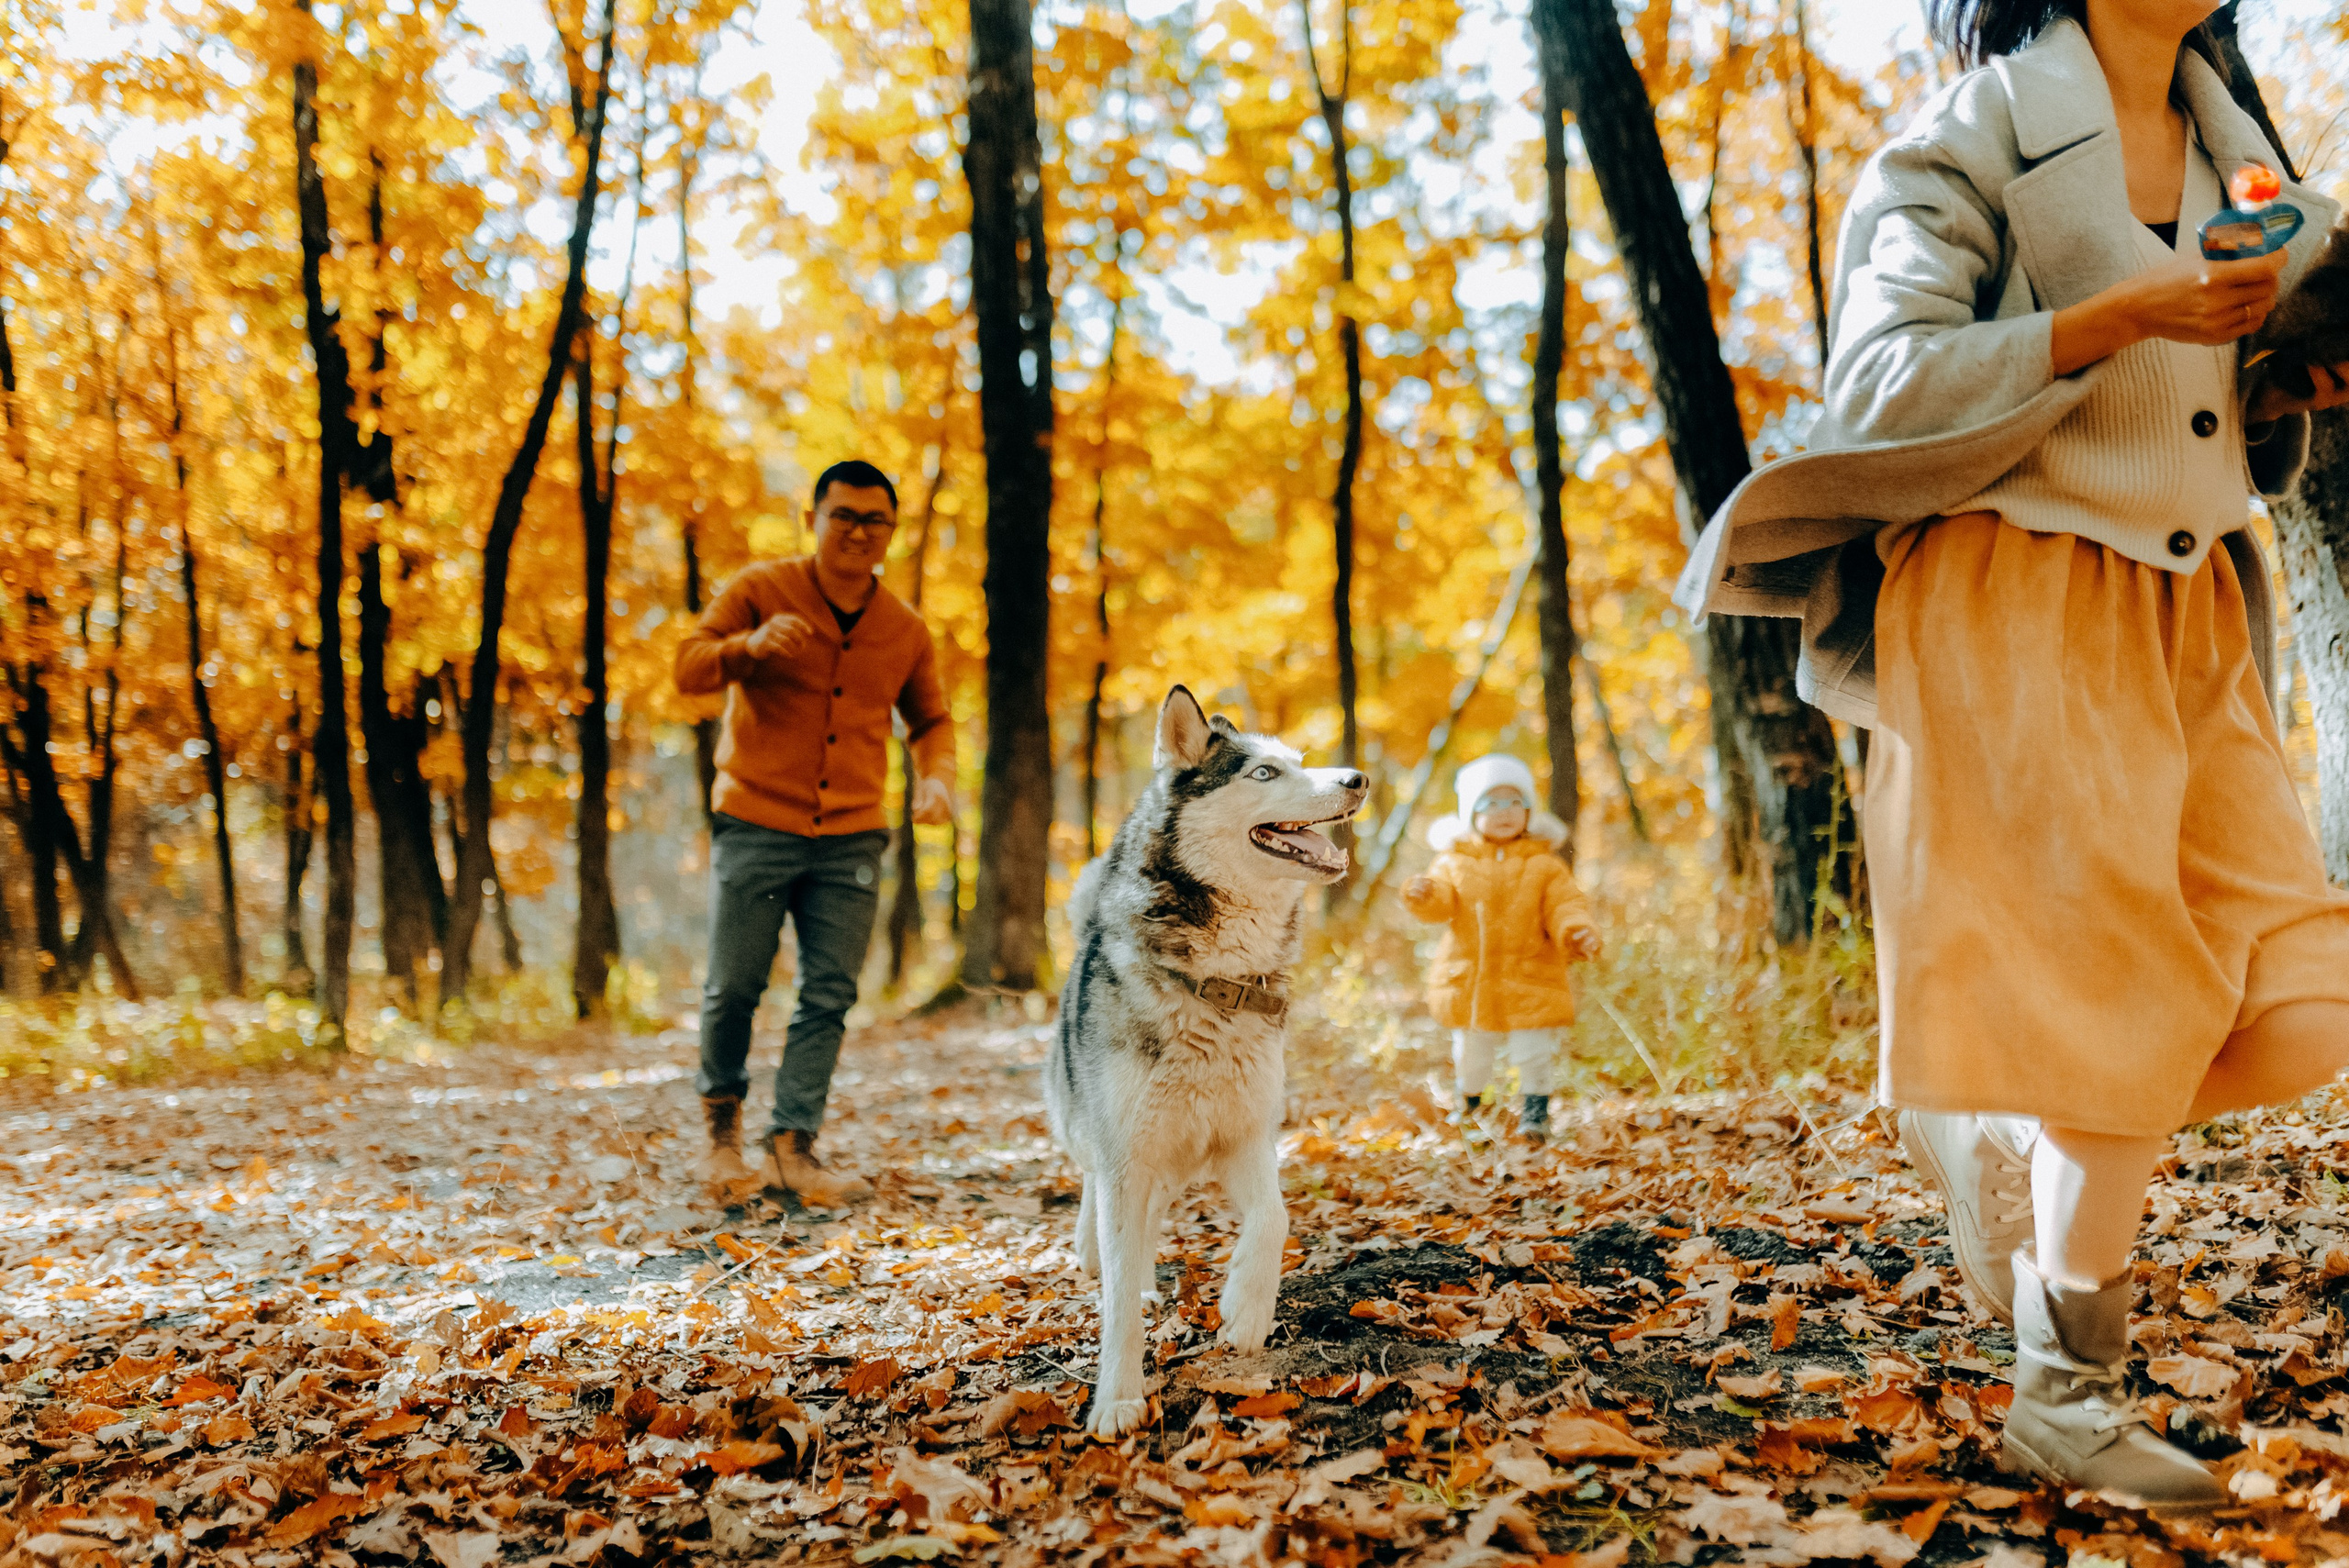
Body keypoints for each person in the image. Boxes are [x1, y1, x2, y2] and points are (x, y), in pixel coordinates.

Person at [1680, 0, 2349, 1506]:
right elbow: (1882, 385)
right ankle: (2067, 1389)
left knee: (2310, 1008)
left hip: (2189, 605)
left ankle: (2026, 1090)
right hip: (2017, 591)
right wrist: (2122, 315)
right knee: (2125, 1008)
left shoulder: (2246, 156)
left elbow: (2210, 403)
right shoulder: (1964, 138)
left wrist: (2285, 380)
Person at [674, 460, 956, 1208]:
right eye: (844, 515)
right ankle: (722, 1140)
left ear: (890, 533)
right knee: (734, 985)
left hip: (853, 835)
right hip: (756, 821)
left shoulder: (905, 628)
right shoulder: (760, 590)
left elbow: (930, 720)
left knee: (827, 994)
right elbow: (687, 666)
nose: (858, 531)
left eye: (875, 520)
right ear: (815, 518)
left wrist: (936, 778)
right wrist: (750, 648)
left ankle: (793, 1146)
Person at [1400, 755, 1601, 1144]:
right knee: (1472, 1050)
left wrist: (1576, 930)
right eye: (1490, 803)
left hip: (1532, 971)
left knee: (1533, 1050)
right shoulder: (1453, 862)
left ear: (1529, 811)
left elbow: (1565, 905)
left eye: (1514, 802)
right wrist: (1423, 895)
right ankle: (1471, 1105)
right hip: (1473, 978)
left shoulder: (1546, 865)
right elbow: (1441, 901)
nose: (1504, 812)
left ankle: (1535, 1112)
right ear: (1469, 814)